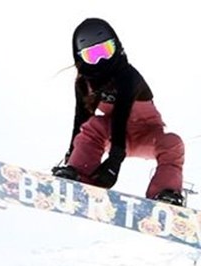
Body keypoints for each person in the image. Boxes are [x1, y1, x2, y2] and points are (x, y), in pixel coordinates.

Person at [51, 18, 185, 206]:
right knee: (93, 125)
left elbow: (121, 115)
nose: (101, 61)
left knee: (172, 142)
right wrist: (71, 156)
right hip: (112, 134)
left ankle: (164, 194)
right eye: (92, 56)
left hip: (145, 134)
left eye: (105, 51)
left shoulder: (128, 76)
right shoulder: (84, 83)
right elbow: (81, 118)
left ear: (117, 47)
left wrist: (114, 163)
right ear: (80, 58)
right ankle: (80, 176)